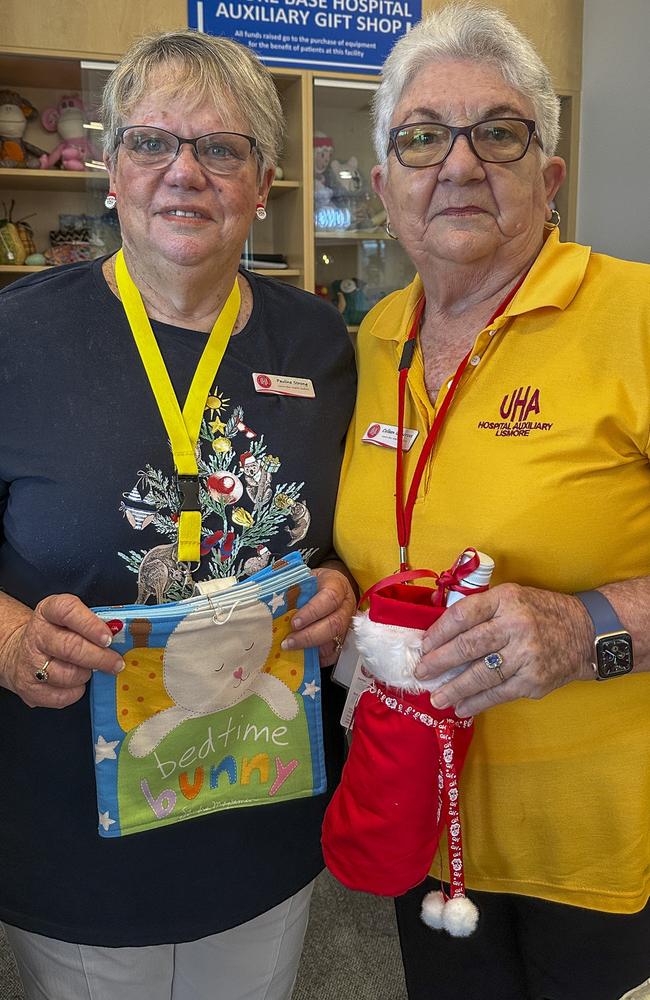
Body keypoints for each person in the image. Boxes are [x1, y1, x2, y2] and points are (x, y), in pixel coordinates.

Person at [0, 29, 356, 1000]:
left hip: (260, 813)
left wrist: (340, 587)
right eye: (152, 142)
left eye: (221, 148)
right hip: (73, 825)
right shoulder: (17, 339)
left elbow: (354, 539)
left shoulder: (323, 345)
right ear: (111, 169)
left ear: (262, 180)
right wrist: (10, 638)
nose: (183, 172)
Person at [334, 5, 650, 999]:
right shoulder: (372, 336)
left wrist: (593, 624)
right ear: (385, 184)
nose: (458, 166)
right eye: (422, 137)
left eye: (498, 133)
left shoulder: (633, 315)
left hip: (605, 854)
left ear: (546, 177)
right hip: (421, 823)